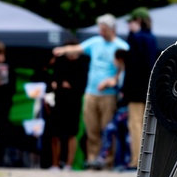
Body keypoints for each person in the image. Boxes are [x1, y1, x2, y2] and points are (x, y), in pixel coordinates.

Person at [53, 14, 129, 166]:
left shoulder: (122, 47)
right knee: (91, 128)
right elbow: (78, 48)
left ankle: (107, 161)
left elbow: (124, 69)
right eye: (100, 29)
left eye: (104, 29)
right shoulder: (95, 42)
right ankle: (92, 159)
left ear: (112, 29)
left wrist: (111, 81)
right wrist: (63, 49)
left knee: (107, 129)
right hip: (91, 93)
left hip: (109, 95)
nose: (101, 32)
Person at [123, 7, 158, 170]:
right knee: (145, 124)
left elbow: (132, 65)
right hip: (148, 88)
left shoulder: (136, 38)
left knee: (135, 124)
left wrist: (126, 89)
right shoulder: (152, 38)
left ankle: (135, 159)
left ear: (137, 21)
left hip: (136, 89)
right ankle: (144, 160)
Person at [45, 39, 87, 170]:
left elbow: (81, 86)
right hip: (59, 102)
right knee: (55, 133)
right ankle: (55, 164)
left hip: (73, 103)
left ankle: (69, 164)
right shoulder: (59, 62)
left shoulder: (82, 64)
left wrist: (67, 86)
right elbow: (54, 80)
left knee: (71, 133)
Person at [90, 49, 131, 170]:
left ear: (120, 59)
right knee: (122, 135)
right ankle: (123, 161)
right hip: (122, 109)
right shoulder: (120, 72)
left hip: (125, 109)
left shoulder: (126, 72)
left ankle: (104, 157)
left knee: (111, 129)